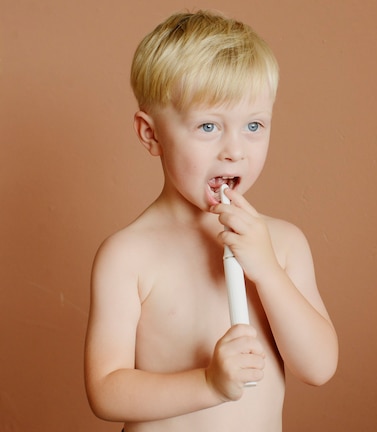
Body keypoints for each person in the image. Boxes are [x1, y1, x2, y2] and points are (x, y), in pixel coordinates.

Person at [84, 10, 338, 432]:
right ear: (151, 135)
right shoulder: (128, 255)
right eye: (208, 126)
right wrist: (209, 383)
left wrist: (269, 272)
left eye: (254, 125)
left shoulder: (284, 243)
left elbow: (319, 367)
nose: (235, 150)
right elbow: (105, 391)